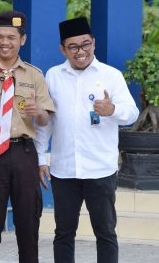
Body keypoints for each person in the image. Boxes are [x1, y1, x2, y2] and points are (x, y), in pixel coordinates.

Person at [34, 17, 139, 263]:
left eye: (85, 44)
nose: (80, 52)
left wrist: (112, 110)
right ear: (63, 49)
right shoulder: (53, 76)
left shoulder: (111, 75)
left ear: (93, 43)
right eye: (73, 47)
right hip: (64, 170)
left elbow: (132, 114)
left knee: (105, 233)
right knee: (63, 233)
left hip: (100, 169)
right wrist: (41, 158)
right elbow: (46, 123)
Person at [0, 11, 55, 263]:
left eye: (11, 37)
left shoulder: (34, 75)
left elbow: (44, 121)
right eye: (0, 37)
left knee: (28, 223)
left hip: (23, 153)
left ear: (22, 40)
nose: (5, 42)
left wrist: (38, 112)